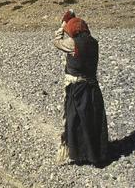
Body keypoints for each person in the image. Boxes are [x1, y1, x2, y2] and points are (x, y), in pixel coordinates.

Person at [53, 9, 109, 165]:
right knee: (92, 119)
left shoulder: (73, 43)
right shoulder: (93, 42)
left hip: (77, 87)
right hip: (92, 86)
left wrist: (62, 25)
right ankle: (96, 153)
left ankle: (79, 152)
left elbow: (57, 42)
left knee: (75, 119)